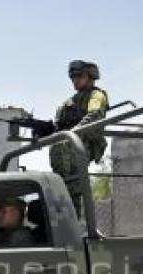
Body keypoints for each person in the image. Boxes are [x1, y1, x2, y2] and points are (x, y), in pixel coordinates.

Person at [49, 60, 110, 216]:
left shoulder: (97, 95)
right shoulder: (68, 103)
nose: (74, 80)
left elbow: (94, 116)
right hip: (70, 146)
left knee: (73, 185)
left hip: (87, 143)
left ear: (90, 76)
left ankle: (73, 212)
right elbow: (57, 125)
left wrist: (71, 134)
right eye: (72, 77)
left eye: (78, 76)